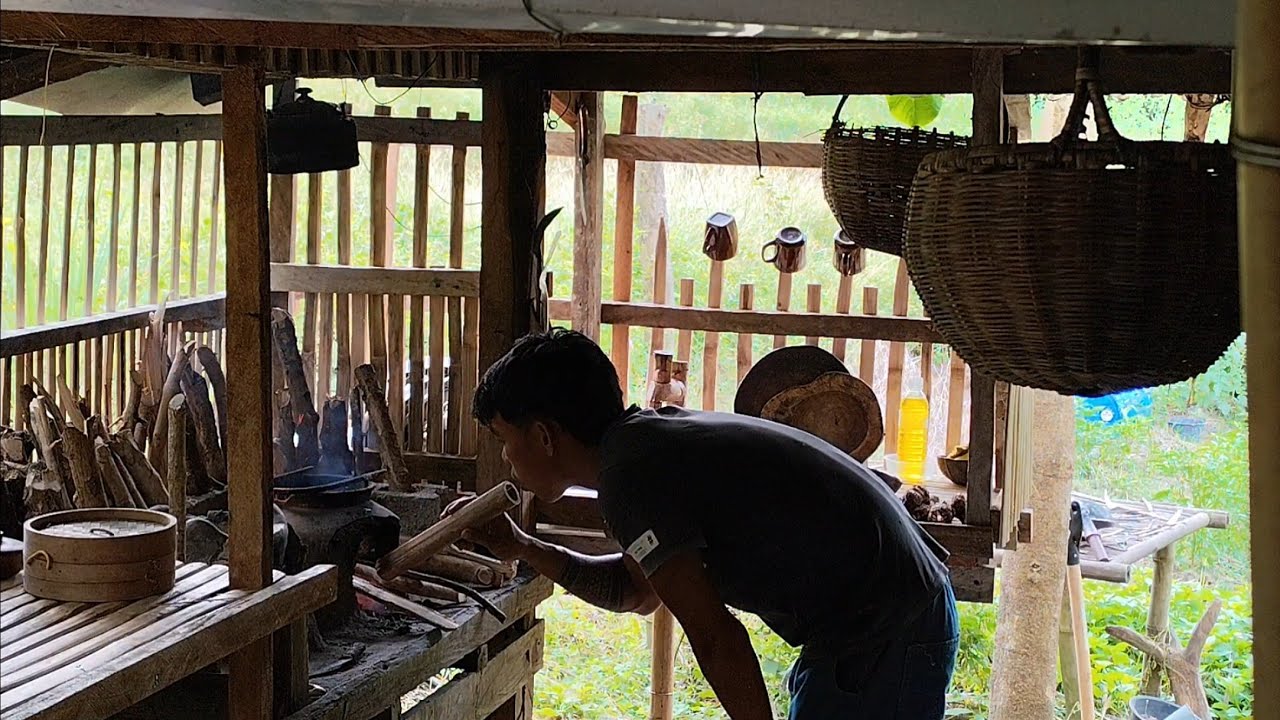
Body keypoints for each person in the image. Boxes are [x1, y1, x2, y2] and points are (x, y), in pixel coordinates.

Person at [450, 328, 958, 719]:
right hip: (886, 617)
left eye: (503, 438)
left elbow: (716, 637)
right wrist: (522, 546)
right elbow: (636, 592)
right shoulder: (640, 448)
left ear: (544, 436)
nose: (505, 456)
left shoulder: (632, 475)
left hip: (887, 626)